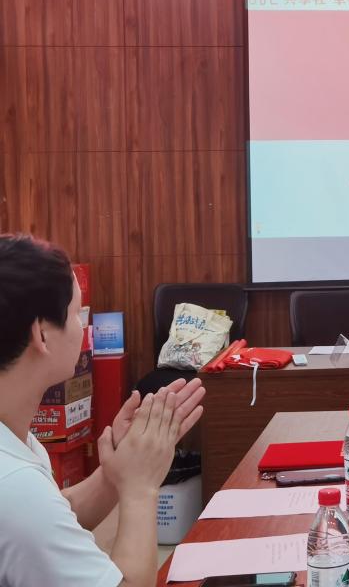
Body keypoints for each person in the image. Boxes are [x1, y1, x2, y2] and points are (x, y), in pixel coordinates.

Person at [0, 233, 206, 587]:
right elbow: (30, 511)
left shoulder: (15, 449)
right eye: (78, 314)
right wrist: (140, 488)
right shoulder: (14, 486)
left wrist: (115, 473)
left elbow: (53, 516)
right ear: (42, 335)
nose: (84, 328)